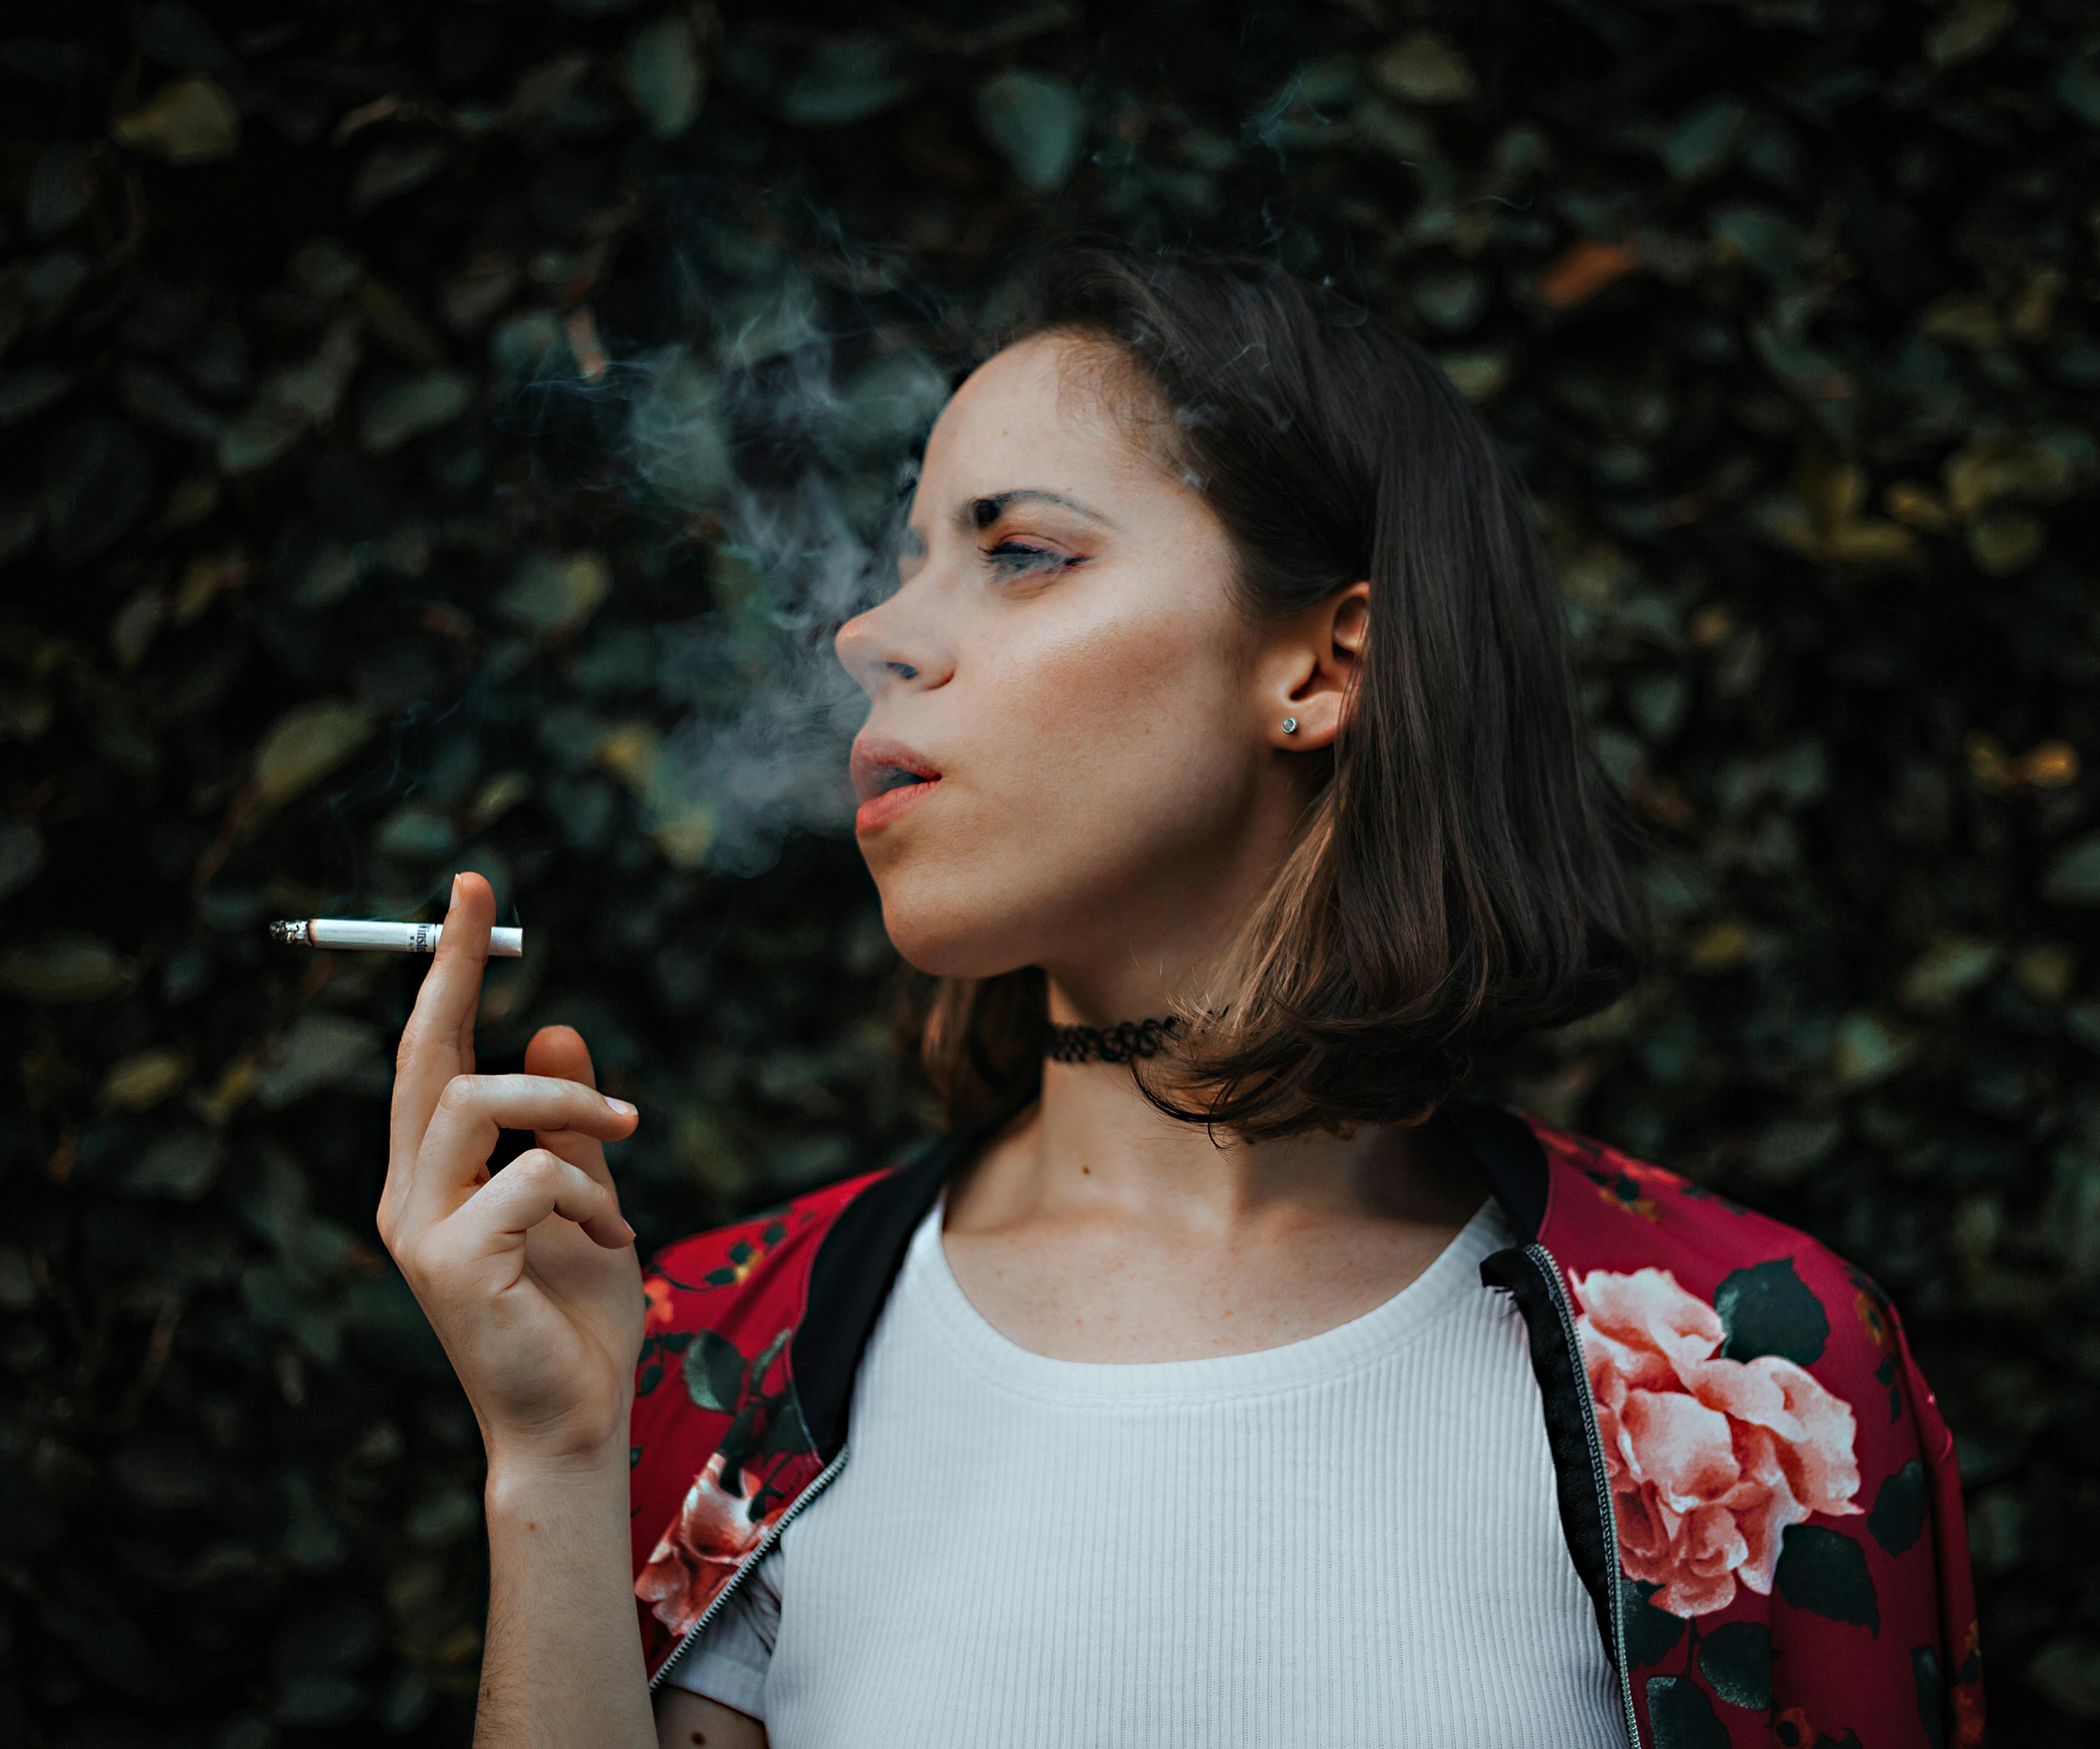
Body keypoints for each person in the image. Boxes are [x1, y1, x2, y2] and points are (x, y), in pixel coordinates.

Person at [376, 247, 1983, 1749]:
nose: (870, 633)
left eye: (1020, 554)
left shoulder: (1758, 1371)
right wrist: (553, 1468)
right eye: (903, 561)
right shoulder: (709, 1357)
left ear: (1320, 668)